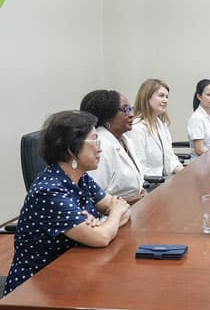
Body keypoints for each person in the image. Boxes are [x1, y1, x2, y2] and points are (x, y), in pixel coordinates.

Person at [2, 111, 131, 296]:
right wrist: (111, 217)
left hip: (72, 273)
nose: (100, 148)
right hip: (36, 289)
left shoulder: (81, 178)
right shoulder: (48, 191)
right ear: (72, 149)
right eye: (95, 140)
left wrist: (103, 222)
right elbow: (102, 237)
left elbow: (122, 206)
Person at [81, 89, 146, 204]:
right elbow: (91, 198)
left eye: (130, 109)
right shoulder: (101, 145)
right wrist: (127, 201)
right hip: (113, 212)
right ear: (107, 115)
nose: (131, 115)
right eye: (125, 110)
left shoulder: (124, 139)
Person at [128, 78, 184, 177]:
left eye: (167, 97)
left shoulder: (161, 125)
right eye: (161, 96)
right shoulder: (137, 127)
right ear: (147, 97)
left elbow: (170, 157)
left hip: (165, 179)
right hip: (150, 182)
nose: (165, 100)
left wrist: (183, 170)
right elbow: (139, 167)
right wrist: (162, 178)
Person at [187, 78, 210, 157]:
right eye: (209, 94)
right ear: (199, 96)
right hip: (202, 161)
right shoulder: (196, 118)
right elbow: (199, 150)